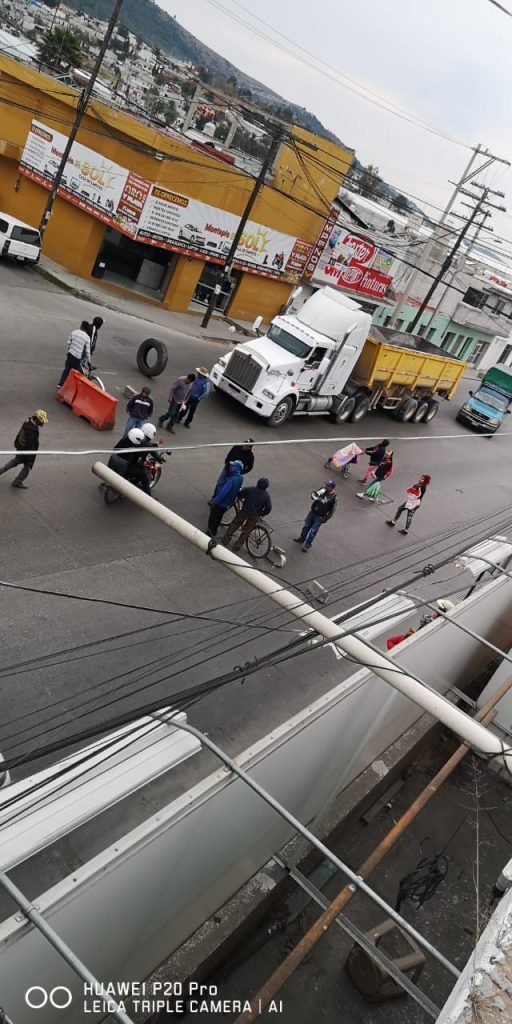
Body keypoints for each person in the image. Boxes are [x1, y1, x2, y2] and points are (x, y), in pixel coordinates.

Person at [0, 409, 48, 488]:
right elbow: (31, 445)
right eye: (42, 421)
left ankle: (15, 480)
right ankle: (17, 482)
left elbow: (20, 436)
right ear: (37, 419)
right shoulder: (32, 430)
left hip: (21, 450)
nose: (43, 423)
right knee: (27, 467)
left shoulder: (28, 423)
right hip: (26, 453)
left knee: (13, 463)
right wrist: (30, 458)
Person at [223, 478, 272, 551]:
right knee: (246, 531)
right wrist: (262, 513)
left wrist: (239, 495)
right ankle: (237, 546)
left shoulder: (250, 489)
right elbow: (268, 507)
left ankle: (226, 539)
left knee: (235, 524)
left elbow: (240, 494)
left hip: (244, 511)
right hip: (254, 516)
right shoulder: (266, 496)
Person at [294, 480, 337, 552]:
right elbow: (313, 497)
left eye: (328, 486)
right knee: (306, 526)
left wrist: (325, 519)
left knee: (312, 532)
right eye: (326, 485)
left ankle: (307, 546)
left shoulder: (333, 497)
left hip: (320, 517)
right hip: (312, 512)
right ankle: (302, 538)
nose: (326, 486)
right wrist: (315, 495)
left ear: (332, 488)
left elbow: (332, 511)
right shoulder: (322, 489)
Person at [107, 426, 151, 495]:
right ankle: (148, 496)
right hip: (125, 468)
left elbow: (115, 448)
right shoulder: (136, 448)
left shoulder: (123, 440)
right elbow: (138, 462)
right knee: (143, 473)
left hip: (113, 463)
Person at [207, 460, 244, 538]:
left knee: (213, 517)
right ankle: (214, 531)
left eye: (233, 466)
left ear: (237, 468)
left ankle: (209, 533)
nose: (230, 467)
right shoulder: (240, 478)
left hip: (221, 502)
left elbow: (223, 492)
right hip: (228, 502)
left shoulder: (231, 480)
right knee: (219, 517)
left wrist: (214, 501)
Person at [58, 321, 91, 386]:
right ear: (87, 329)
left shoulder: (74, 332)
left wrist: (69, 350)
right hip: (77, 357)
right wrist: (89, 361)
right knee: (75, 372)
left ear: (81, 326)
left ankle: (61, 383)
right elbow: (87, 351)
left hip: (70, 354)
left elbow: (68, 343)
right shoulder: (87, 337)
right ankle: (71, 385)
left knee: (67, 369)